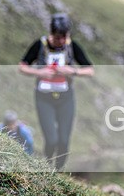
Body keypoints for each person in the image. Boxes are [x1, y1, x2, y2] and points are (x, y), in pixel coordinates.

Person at [18, 13, 94, 170]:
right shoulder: (40, 45)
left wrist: (72, 72)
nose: (61, 41)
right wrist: (40, 73)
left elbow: (90, 70)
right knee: (51, 139)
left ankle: (57, 171)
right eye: (58, 37)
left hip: (66, 98)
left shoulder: (72, 46)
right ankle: (47, 166)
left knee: (64, 142)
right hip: (43, 98)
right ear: (52, 33)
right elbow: (22, 66)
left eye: (64, 37)